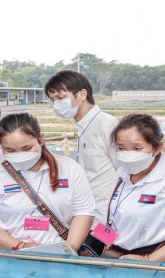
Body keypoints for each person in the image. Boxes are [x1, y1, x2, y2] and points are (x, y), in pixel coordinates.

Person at [0, 113, 96, 252]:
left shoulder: (69, 168)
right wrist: (20, 246)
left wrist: (69, 249)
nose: (19, 155)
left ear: (40, 139)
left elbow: (83, 211)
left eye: (26, 148)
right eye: (9, 150)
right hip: (10, 256)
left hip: (60, 255)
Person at [98, 114, 165, 263]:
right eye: (121, 148)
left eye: (137, 148)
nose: (128, 155)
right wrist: (104, 243)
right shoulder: (121, 174)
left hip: (160, 261)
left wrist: (148, 259)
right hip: (121, 259)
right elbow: (113, 216)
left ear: (156, 148)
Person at [44, 70, 119, 253]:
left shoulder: (107, 125)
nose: (57, 104)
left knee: (98, 262)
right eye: (53, 100)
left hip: (104, 221)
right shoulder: (83, 127)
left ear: (82, 94)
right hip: (87, 218)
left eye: (61, 97)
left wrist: (115, 229)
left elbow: (126, 173)